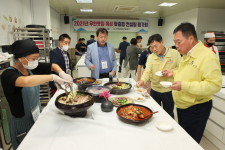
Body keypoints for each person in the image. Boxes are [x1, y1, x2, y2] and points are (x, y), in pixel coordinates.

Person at [0, 39, 73, 149]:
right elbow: (25, 81)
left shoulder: (30, 68)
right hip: (22, 124)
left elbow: (53, 66)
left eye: (37, 58)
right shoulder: (8, 74)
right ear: (20, 58)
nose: (36, 62)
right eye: (33, 59)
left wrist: (62, 74)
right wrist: (53, 77)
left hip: (36, 116)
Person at [162, 22, 222, 143]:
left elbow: (214, 85)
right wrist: (173, 72)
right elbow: (187, 70)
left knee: (191, 143)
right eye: (175, 42)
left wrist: (184, 85)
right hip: (183, 106)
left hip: (196, 108)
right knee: (184, 139)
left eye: (179, 42)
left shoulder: (207, 56)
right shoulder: (187, 54)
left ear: (190, 38)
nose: (176, 46)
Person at [137, 34, 181, 118]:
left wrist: (172, 72)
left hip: (169, 89)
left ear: (162, 42)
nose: (154, 49)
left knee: (169, 113)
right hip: (155, 89)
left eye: (156, 46)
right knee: (153, 112)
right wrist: (142, 80)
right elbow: (147, 71)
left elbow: (181, 68)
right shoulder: (151, 57)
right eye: (151, 47)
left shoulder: (174, 53)